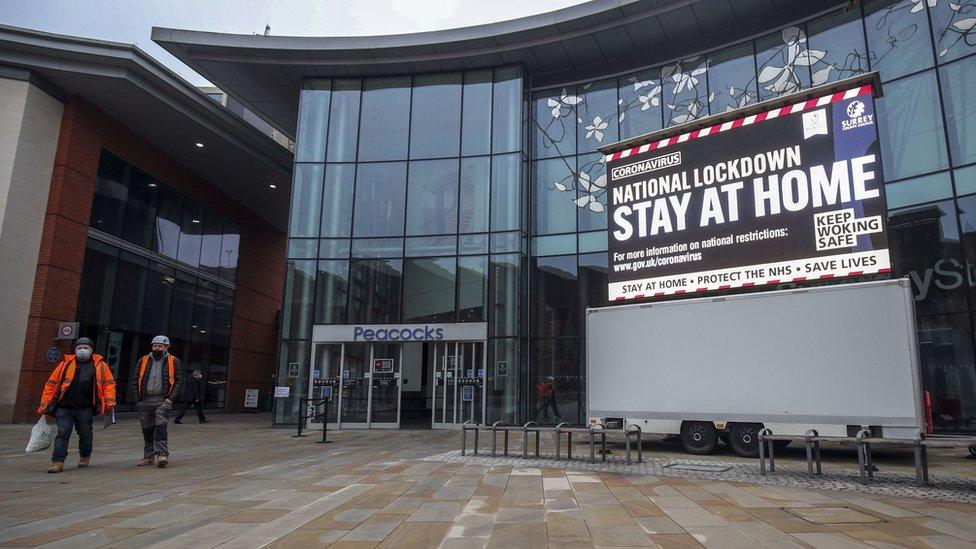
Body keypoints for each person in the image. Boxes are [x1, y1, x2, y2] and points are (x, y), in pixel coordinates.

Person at [37, 337, 116, 473]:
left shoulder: (100, 366)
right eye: (79, 348)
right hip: (64, 407)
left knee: (85, 433)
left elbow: (108, 385)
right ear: (75, 350)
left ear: (91, 350)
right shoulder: (65, 365)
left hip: (85, 407)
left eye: (86, 348)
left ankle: (85, 456)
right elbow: (51, 384)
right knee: (63, 433)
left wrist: (109, 403)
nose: (82, 350)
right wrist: (45, 405)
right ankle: (58, 461)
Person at [131, 335, 182, 467]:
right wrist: (138, 400)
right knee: (147, 429)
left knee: (161, 427)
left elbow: (178, 381)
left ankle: (161, 454)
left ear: (166, 347)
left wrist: (170, 399)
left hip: (162, 400)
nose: (157, 348)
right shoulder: (143, 360)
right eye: (155, 346)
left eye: (160, 346)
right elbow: (135, 380)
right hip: (145, 400)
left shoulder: (173, 361)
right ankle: (148, 456)